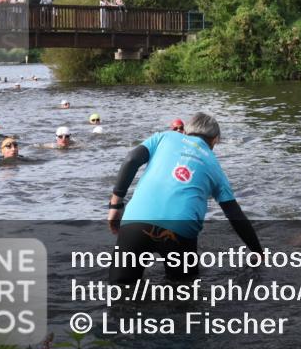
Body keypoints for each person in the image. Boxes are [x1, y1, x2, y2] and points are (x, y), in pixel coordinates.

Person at [105, 112, 263, 284]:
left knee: (119, 291)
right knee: (183, 295)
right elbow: (233, 213)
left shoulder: (163, 137)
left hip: (136, 221)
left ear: (186, 131)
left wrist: (115, 206)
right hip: (179, 232)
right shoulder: (214, 165)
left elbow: (131, 159)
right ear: (215, 139)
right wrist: (258, 252)